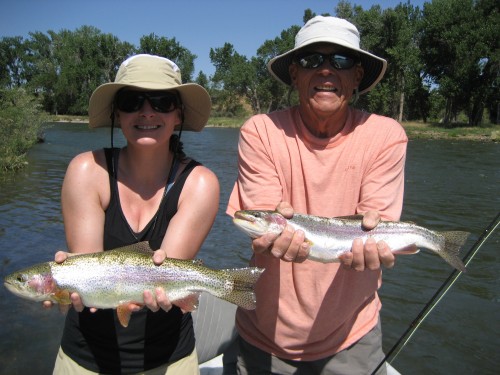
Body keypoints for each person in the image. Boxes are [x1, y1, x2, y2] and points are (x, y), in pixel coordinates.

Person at [226, 16, 408, 374]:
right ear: (294, 73)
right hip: (264, 337)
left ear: (357, 75)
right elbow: (261, 220)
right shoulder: (260, 131)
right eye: (312, 60)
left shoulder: (386, 135)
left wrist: (377, 239)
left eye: (340, 60)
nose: (326, 70)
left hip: (352, 339)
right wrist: (268, 228)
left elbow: (374, 222)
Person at [50, 54, 220, 374]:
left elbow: (165, 277)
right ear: (117, 112)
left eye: (162, 101)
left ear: (179, 115)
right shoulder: (87, 170)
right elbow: (93, 276)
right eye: (131, 101)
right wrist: (64, 285)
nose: (146, 111)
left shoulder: (200, 183)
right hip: (85, 358)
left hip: (169, 358)